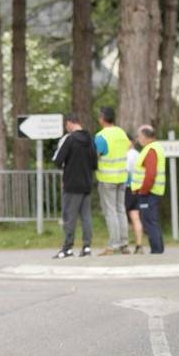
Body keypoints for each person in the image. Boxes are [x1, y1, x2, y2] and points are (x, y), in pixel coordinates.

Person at [51, 113, 98, 258]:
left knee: (69, 217)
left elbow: (58, 160)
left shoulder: (70, 139)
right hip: (86, 183)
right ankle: (87, 247)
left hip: (71, 184)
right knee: (86, 217)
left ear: (69, 123)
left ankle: (67, 248)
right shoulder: (90, 139)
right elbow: (94, 164)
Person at [94, 105, 131, 254]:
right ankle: (124, 244)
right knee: (121, 210)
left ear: (102, 118)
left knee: (110, 212)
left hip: (107, 178)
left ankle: (114, 244)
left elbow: (95, 156)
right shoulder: (122, 133)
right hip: (122, 176)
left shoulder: (101, 136)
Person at [132, 125, 166, 253]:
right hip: (154, 191)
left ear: (145, 136)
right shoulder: (155, 147)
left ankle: (156, 250)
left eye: (139, 136)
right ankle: (158, 249)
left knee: (149, 222)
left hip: (149, 192)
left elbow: (150, 174)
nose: (138, 139)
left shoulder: (150, 150)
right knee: (152, 221)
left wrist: (143, 190)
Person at [125, 134, 145, 254]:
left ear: (131, 142)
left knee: (122, 216)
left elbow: (126, 171)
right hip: (138, 188)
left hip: (129, 188)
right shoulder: (138, 154)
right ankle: (139, 245)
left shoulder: (128, 155)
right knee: (135, 217)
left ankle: (124, 245)